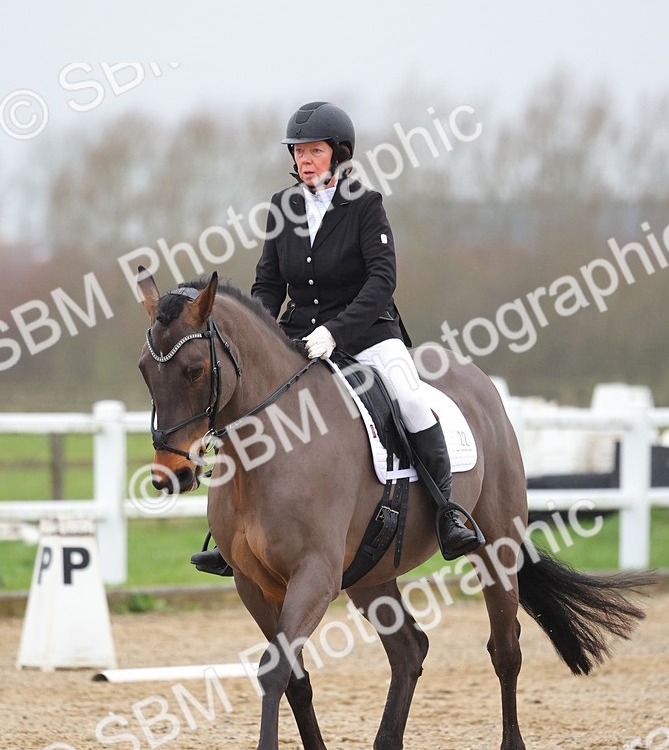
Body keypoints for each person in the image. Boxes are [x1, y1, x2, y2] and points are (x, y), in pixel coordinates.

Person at [191, 100, 481, 575]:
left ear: (339, 153)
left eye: (314, 151)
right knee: (247, 403)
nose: (304, 160)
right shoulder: (283, 207)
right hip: (298, 337)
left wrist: (336, 330)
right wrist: (264, 332)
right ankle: (231, 531)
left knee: (408, 399)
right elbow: (268, 282)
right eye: (298, 152)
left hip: (368, 332)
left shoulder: (365, 204)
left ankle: (448, 512)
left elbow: (381, 280)